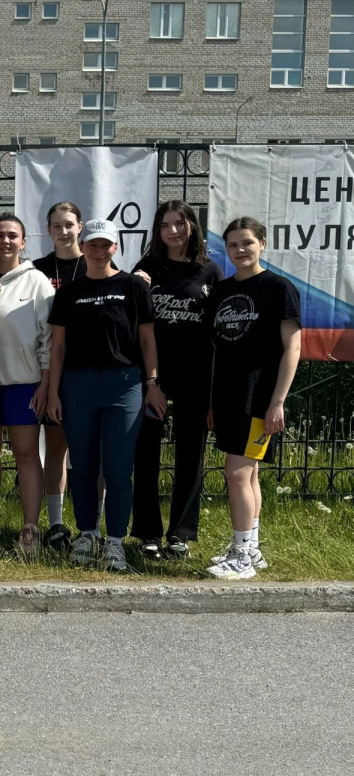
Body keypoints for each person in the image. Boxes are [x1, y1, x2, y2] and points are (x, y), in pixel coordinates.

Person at [46, 219, 164, 572]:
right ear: (82, 247)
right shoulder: (69, 292)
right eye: (92, 245)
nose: (98, 251)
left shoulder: (133, 286)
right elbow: (58, 347)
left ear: (115, 247)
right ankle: (86, 534)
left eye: (105, 245)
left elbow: (147, 339)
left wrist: (152, 383)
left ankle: (115, 541)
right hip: (78, 385)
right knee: (82, 466)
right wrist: (53, 393)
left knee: (117, 468)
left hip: (124, 384)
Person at [205, 217, 301, 580]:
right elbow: (216, 349)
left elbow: (293, 348)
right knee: (250, 473)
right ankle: (252, 549)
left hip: (259, 397)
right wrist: (212, 402)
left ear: (262, 243)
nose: (240, 250)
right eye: (232, 245)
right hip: (227, 395)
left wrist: (278, 401)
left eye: (247, 242)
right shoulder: (221, 291)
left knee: (236, 473)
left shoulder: (279, 287)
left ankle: (241, 555)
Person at [130, 201, 223, 560]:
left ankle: (180, 534)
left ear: (192, 227)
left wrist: (214, 393)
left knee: (191, 454)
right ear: (157, 230)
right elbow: (133, 324)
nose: (172, 231)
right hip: (152, 376)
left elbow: (218, 332)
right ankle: (148, 533)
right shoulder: (146, 268)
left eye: (179, 224)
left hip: (195, 375)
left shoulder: (209, 271)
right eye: (165, 225)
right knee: (145, 453)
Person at [0, 214, 54, 559]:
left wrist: (45, 385)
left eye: (12, 236)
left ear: (23, 242)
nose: (6, 241)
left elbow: (49, 340)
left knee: (26, 454)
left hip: (24, 383)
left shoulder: (37, 281)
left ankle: (30, 529)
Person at [31, 201, 87, 551]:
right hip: (49, 369)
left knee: (89, 453)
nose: (64, 232)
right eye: (57, 226)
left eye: (69, 225)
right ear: (48, 230)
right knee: (55, 448)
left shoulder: (97, 264)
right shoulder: (37, 270)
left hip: (87, 369)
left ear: (80, 226)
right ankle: (55, 523)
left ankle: (91, 527)